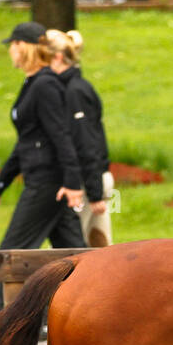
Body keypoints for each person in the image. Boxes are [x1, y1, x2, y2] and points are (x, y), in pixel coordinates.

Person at [0, 21, 86, 344]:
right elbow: (26, 141)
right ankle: (94, 313)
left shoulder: (46, 86)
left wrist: (72, 182)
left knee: (11, 252)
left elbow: (62, 136)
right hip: (43, 180)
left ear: (23, 46)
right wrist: (1, 182)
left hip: (48, 185)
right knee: (75, 254)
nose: (9, 50)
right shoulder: (33, 83)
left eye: (12, 44)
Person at [48, 29, 115, 248]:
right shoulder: (75, 87)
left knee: (76, 249)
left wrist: (94, 192)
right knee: (98, 247)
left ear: (58, 57)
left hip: (86, 181)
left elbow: (86, 141)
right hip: (92, 177)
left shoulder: (74, 92)